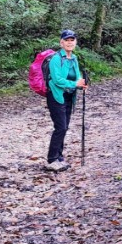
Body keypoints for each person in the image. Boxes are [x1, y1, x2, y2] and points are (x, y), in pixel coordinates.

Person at [45, 29, 87, 171]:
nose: (69, 43)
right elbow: (57, 80)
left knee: (64, 127)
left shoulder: (74, 58)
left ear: (75, 42)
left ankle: (59, 157)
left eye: (72, 40)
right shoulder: (56, 59)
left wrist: (81, 84)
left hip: (69, 96)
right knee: (61, 127)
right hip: (56, 96)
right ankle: (51, 160)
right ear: (61, 42)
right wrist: (75, 84)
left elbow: (76, 77)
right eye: (66, 40)